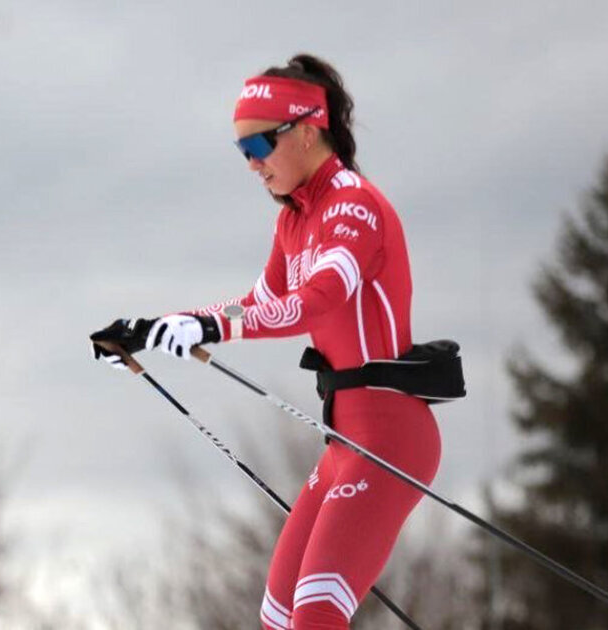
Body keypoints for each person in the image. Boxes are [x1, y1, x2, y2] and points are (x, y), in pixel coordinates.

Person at [90, 53, 441, 629]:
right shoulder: (294, 221)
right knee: (277, 617)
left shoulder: (353, 205)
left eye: (258, 146)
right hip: (344, 441)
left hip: (390, 438)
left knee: (315, 617)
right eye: (241, 152)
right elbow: (256, 303)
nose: (251, 165)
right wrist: (154, 329)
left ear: (306, 130)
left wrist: (212, 327)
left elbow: (318, 298)